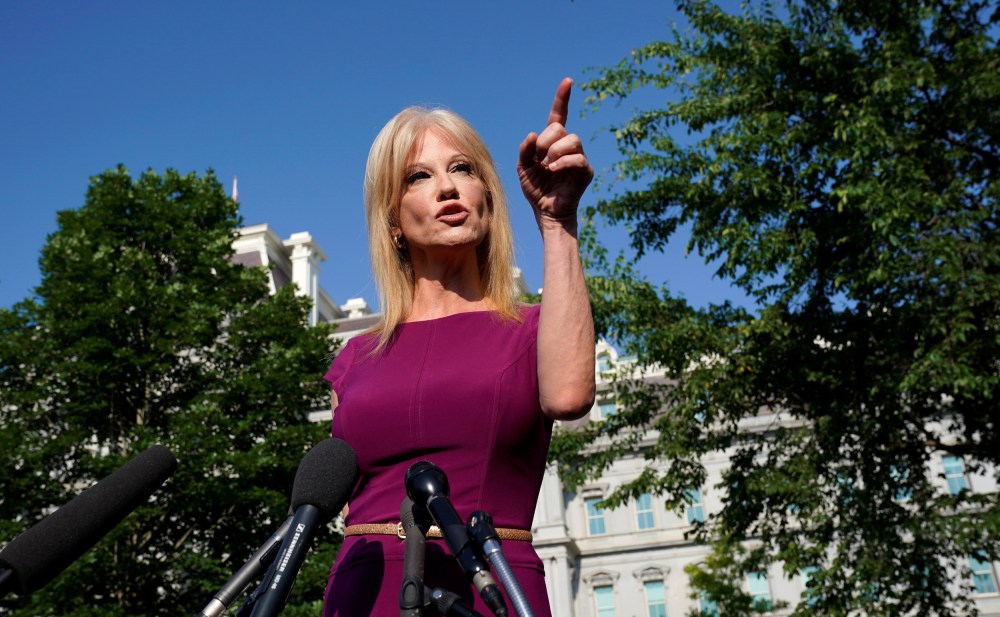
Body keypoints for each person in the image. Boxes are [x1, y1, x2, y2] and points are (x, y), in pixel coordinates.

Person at [321, 78, 595, 616]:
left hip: (490, 582)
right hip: (362, 590)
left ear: (487, 198)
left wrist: (557, 221)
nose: (447, 187)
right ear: (392, 221)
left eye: (463, 169)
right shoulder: (353, 359)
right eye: (419, 176)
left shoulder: (533, 328)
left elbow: (569, 397)